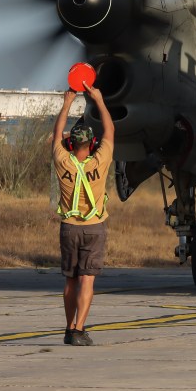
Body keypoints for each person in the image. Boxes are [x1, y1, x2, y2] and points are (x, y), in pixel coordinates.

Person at [52, 85, 115, 346]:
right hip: (94, 228)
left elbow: (56, 135)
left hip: (69, 227)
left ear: (70, 143)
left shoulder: (62, 160)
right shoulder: (99, 161)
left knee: (70, 280)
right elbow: (110, 131)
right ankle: (80, 329)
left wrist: (67, 103)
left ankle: (68, 328)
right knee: (87, 280)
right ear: (91, 143)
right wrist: (99, 100)